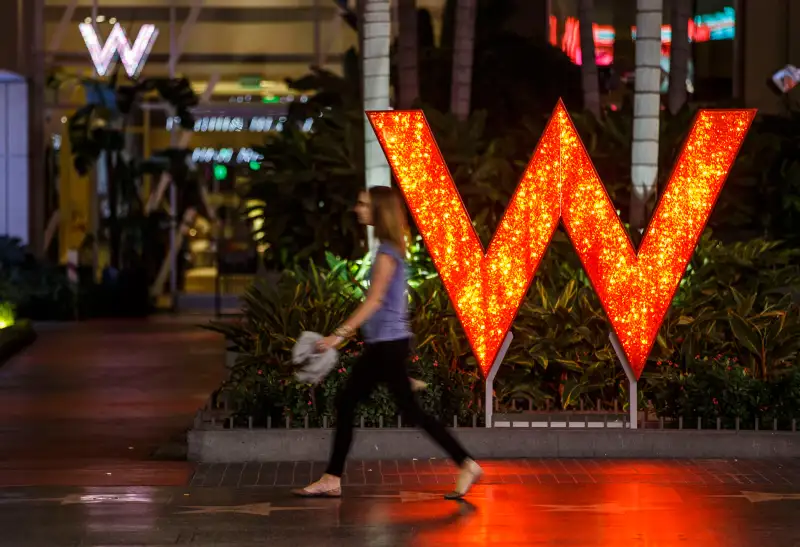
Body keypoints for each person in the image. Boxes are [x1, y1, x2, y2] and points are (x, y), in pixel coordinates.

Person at [292, 186, 482, 499]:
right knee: (380, 406)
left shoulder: (386, 253)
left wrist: (337, 336)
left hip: (387, 345)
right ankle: (464, 461)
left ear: (379, 211)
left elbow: (374, 300)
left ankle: (333, 477)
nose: (357, 209)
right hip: (388, 345)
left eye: (364, 204)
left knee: (355, 403)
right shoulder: (391, 248)